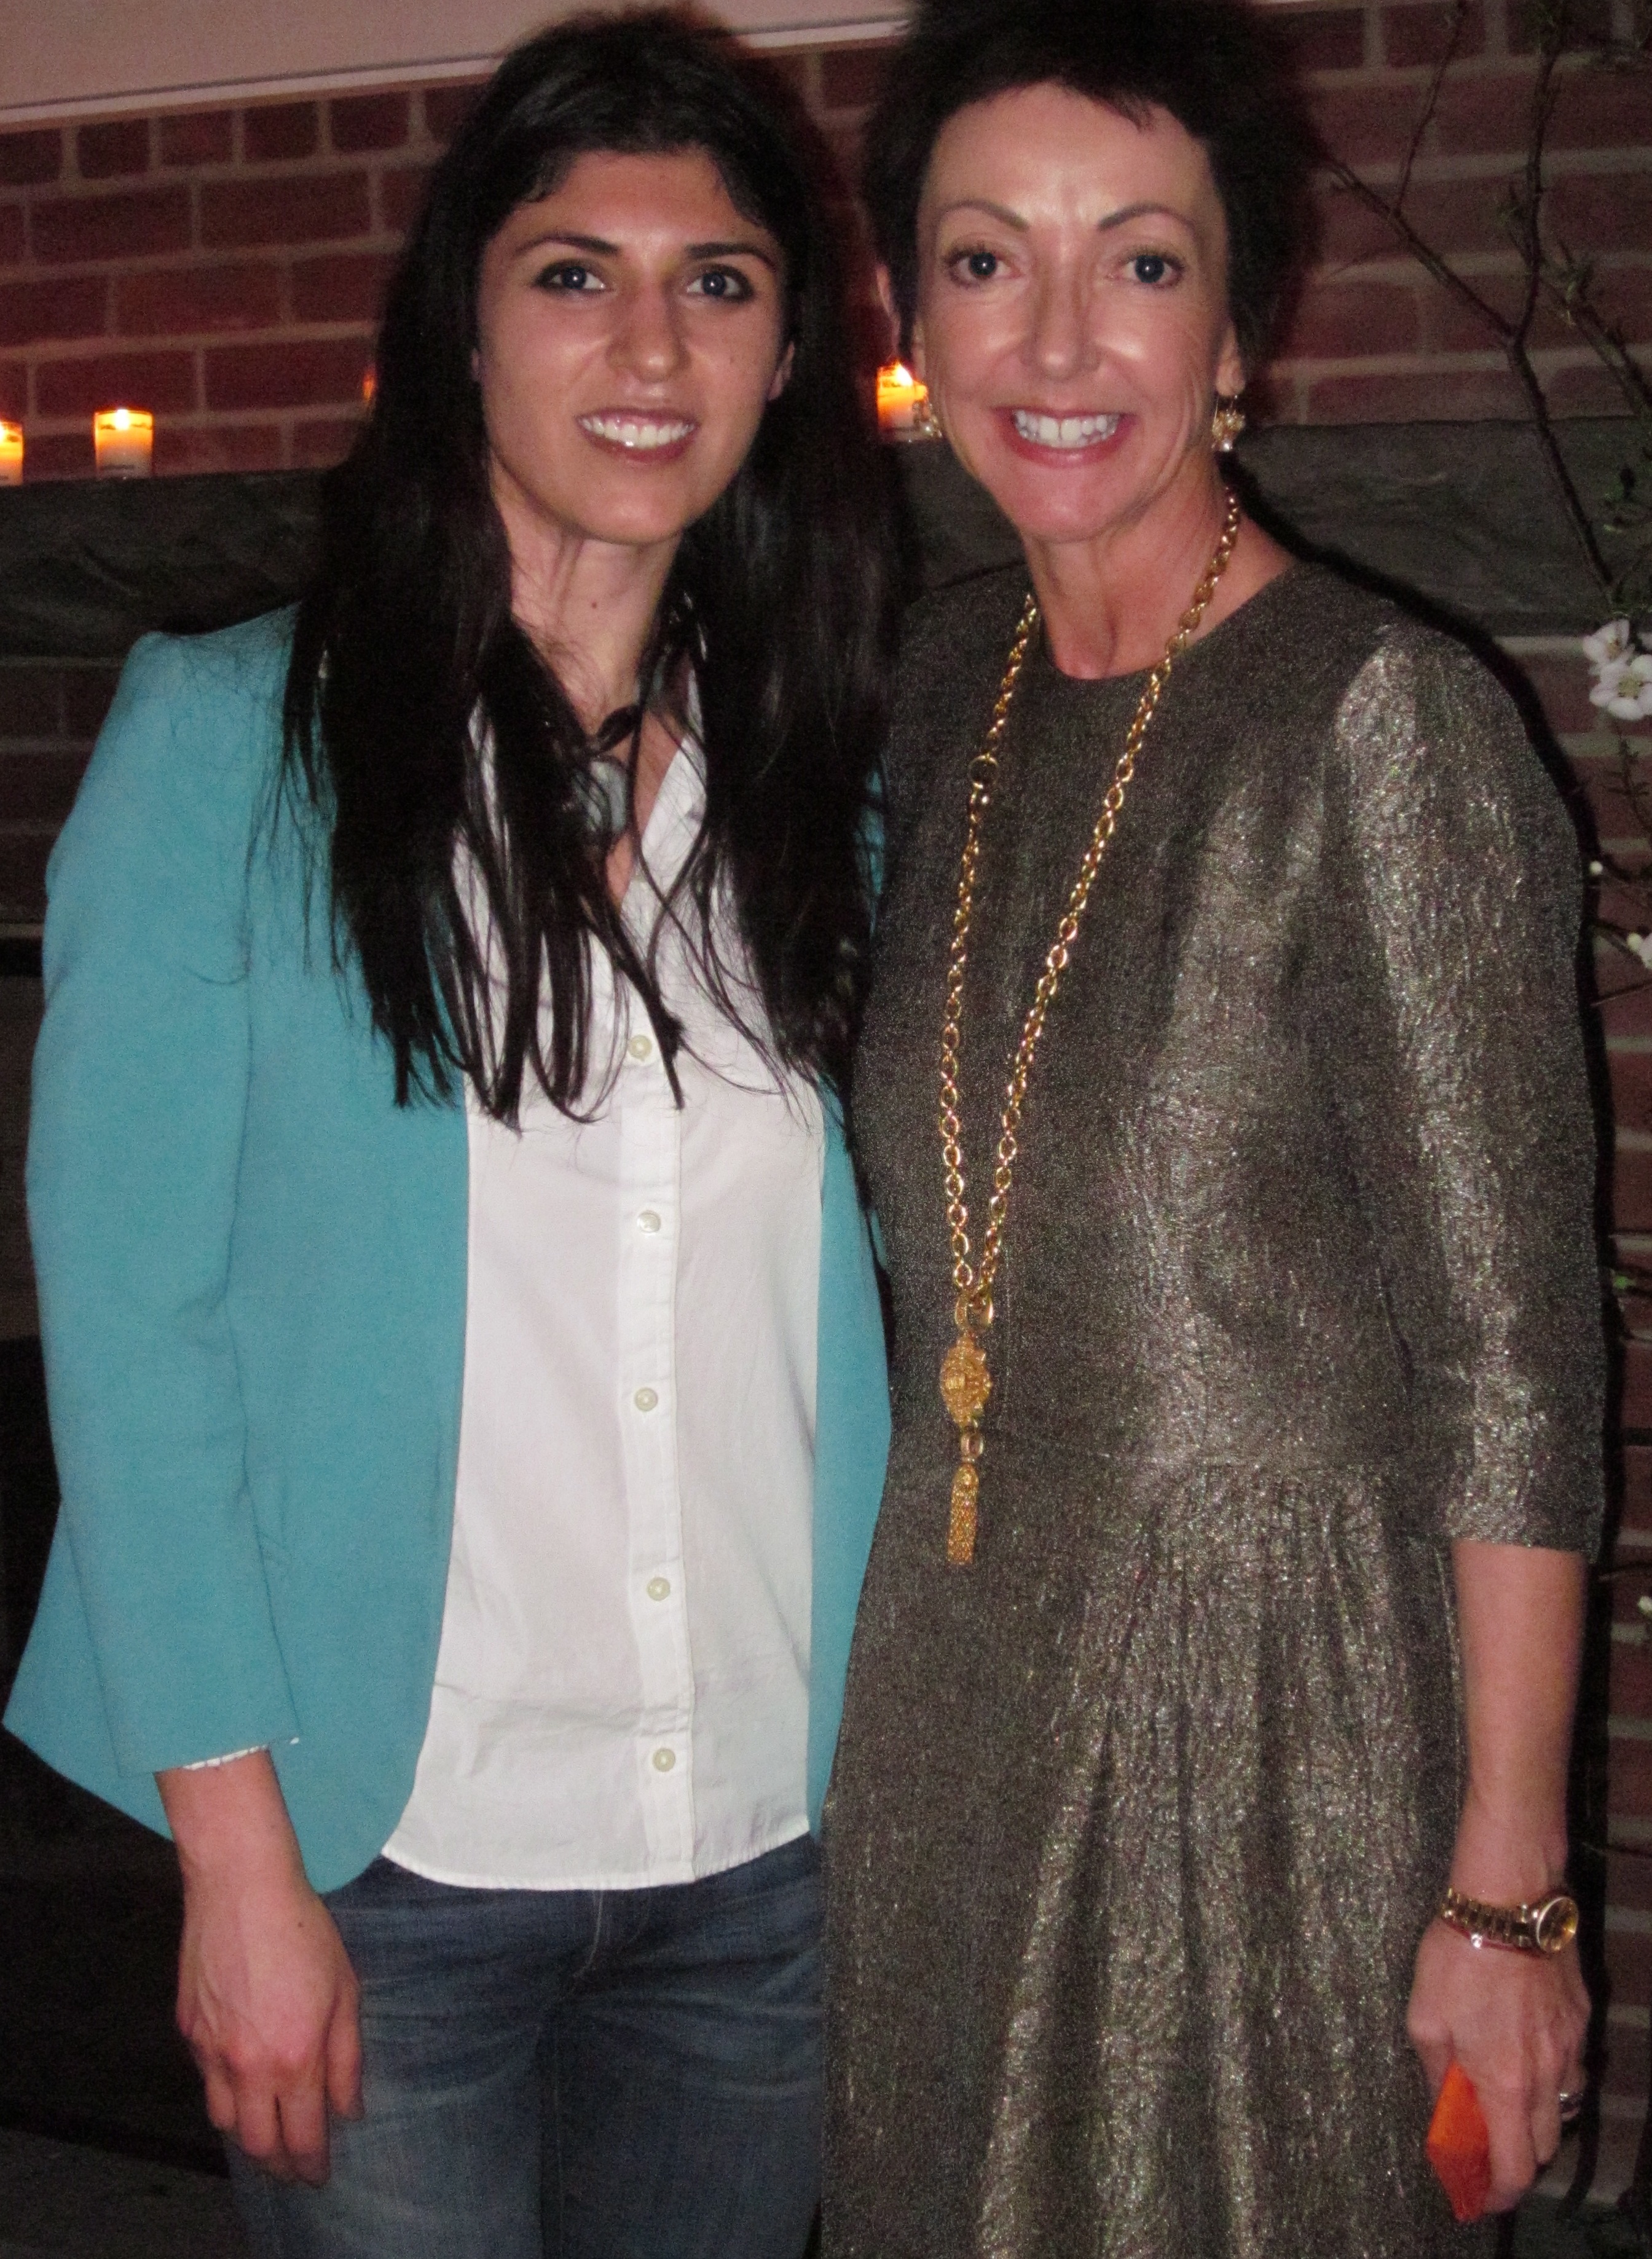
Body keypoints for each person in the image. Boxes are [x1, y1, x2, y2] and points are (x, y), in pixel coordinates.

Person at [5, 14, 896, 2257]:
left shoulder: (820, 795)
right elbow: (133, 1331)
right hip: (381, 1863)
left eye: (718, 282)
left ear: (788, 354)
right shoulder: (231, 746)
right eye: (574, 272)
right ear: (463, 329)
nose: (651, 345)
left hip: (763, 1855)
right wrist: (238, 1862)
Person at [822, 1, 1602, 2253]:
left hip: (1270, 1728)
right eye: (989, 260)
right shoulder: (932, 685)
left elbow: (1517, 1364)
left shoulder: (1381, 721)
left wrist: (1511, 1890)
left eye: (1143, 263)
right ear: (911, 318)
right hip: (946, 1678)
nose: (1062, 339)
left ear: (1239, 327)